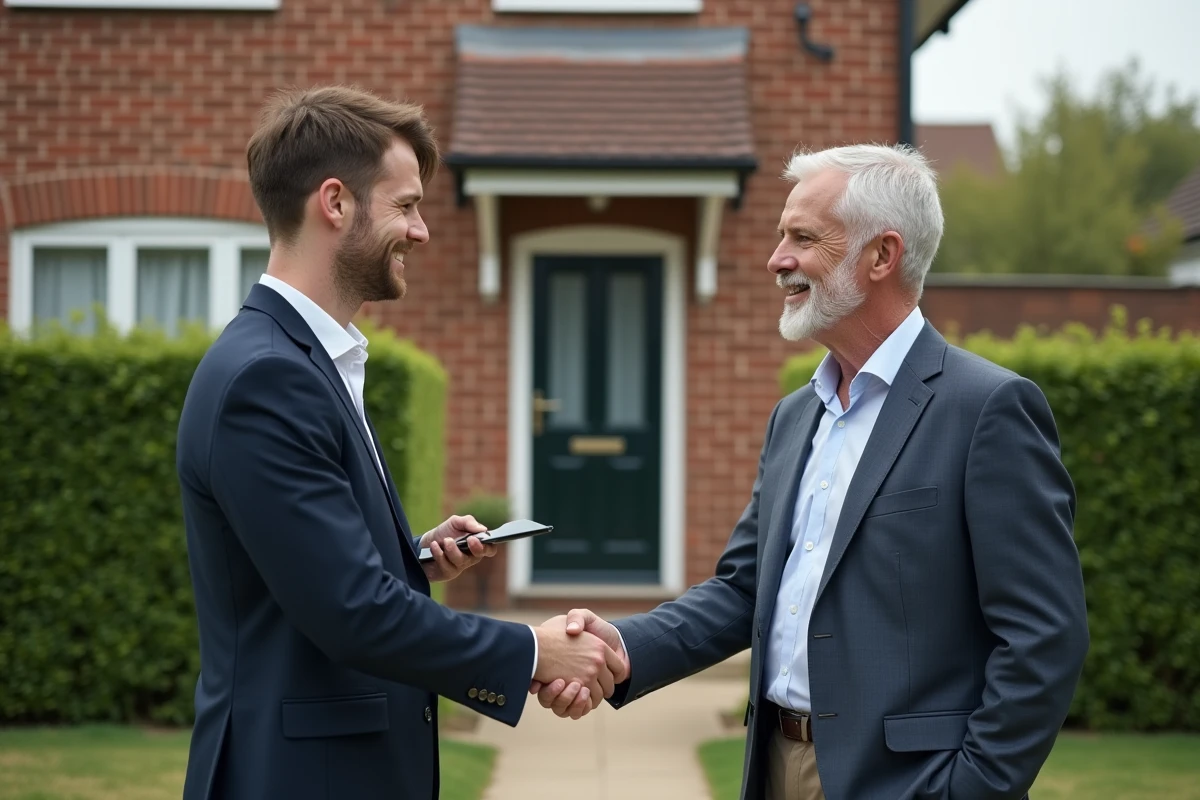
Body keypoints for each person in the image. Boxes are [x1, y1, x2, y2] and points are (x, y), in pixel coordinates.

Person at [534, 143, 1090, 800]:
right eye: (782, 237)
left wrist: (970, 789)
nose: (777, 260)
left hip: (905, 781)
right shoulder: (796, 416)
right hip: (774, 764)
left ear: (882, 255)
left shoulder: (987, 409)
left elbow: (1044, 636)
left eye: (803, 238)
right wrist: (621, 648)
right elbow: (744, 590)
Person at [176, 85, 624, 800]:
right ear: (335, 202)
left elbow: (305, 570)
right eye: (407, 206)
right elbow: (352, 613)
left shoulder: (308, 361)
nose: (421, 231)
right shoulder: (268, 377)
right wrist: (530, 651)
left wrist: (408, 557)